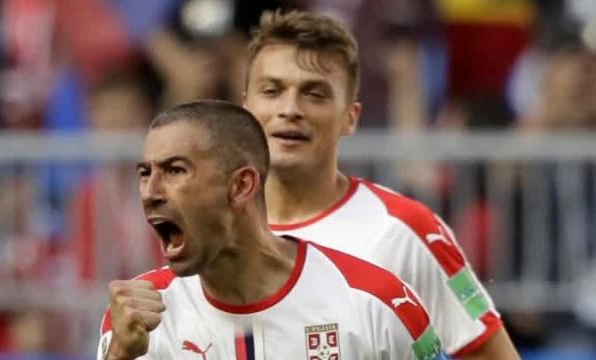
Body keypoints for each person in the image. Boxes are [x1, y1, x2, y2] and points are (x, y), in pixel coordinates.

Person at [242, 10, 521, 359]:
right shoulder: (207, 233)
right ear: (245, 108)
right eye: (272, 91)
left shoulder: (405, 231)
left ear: (350, 118)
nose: (290, 109)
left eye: (315, 94)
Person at [97, 100, 449, 359]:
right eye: (145, 174)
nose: (150, 193)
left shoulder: (374, 301)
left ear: (241, 187)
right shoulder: (139, 319)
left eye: (174, 171)